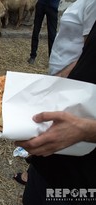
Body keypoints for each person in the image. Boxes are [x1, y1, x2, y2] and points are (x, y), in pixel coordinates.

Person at [13, 0, 96, 186]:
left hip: (82, 169)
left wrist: (86, 129)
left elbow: (86, 53)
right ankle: (33, 174)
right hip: (66, 87)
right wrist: (56, 80)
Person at [27, 0, 60, 65]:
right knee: (47, 33)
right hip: (49, 5)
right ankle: (34, 55)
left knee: (50, 33)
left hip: (48, 5)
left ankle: (33, 56)